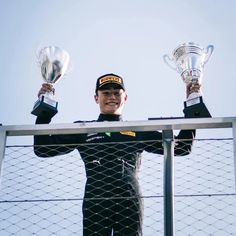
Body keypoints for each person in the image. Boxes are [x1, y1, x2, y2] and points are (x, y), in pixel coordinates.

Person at [34, 73, 200, 236]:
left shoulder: (138, 130)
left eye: (116, 93)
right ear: (96, 98)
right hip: (96, 195)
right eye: (106, 93)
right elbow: (43, 149)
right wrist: (44, 111)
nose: (111, 97)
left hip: (129, 195)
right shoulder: (83, 128)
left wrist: (192, 105)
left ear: (125, 97)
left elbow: (181, 147)